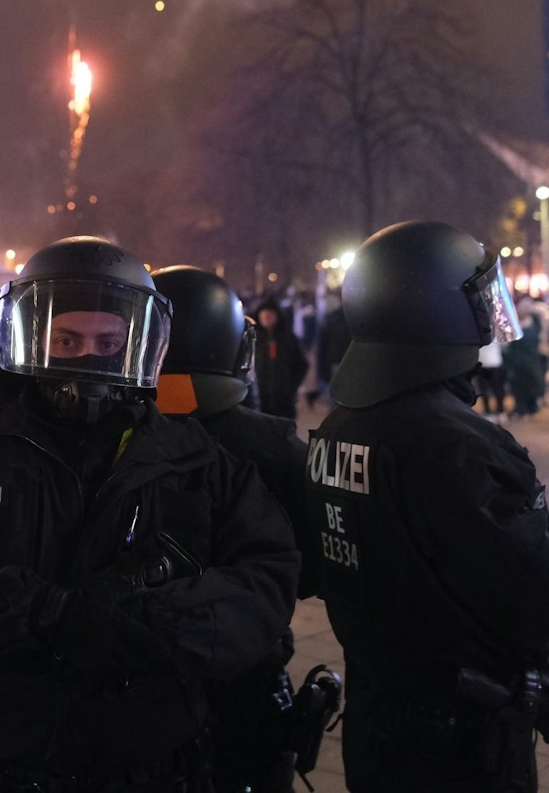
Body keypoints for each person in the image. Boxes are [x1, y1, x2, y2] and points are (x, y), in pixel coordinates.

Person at [0, 236, 298, 791]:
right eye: (67, 339)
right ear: (33, 337)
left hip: (154, 769)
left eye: (110, 341)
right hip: (0, 767)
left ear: (141, 341)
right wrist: (45, 615)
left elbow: (266, 580)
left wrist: (157, 624)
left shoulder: (198, 461)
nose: (89, 357)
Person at [310, 222, 549, 791]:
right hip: (457, 744)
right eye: (479, 298)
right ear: (436, 311)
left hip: (378, 720)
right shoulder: (456, 443)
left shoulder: (339, 426)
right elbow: (542, 591)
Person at [153, 265, 326, 793]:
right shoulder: (272, 446)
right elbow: (312, 571)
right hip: (248, 674)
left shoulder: (108, 431)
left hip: (135, 682)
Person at [252, 296, 307, 421]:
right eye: (264, 313)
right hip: (259, 398)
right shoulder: (253, 338)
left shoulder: (289, 338)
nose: (266, 316)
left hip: (284, 400)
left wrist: (292, 387)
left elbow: (302, 364)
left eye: (270, 313)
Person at [504, 303, 548, 418]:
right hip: (527, 362)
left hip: (525, 361)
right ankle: (526, 407)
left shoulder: (526, 328)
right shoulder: (534, 327)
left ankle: (526, 408)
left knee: (526, 386)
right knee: (525, 386)